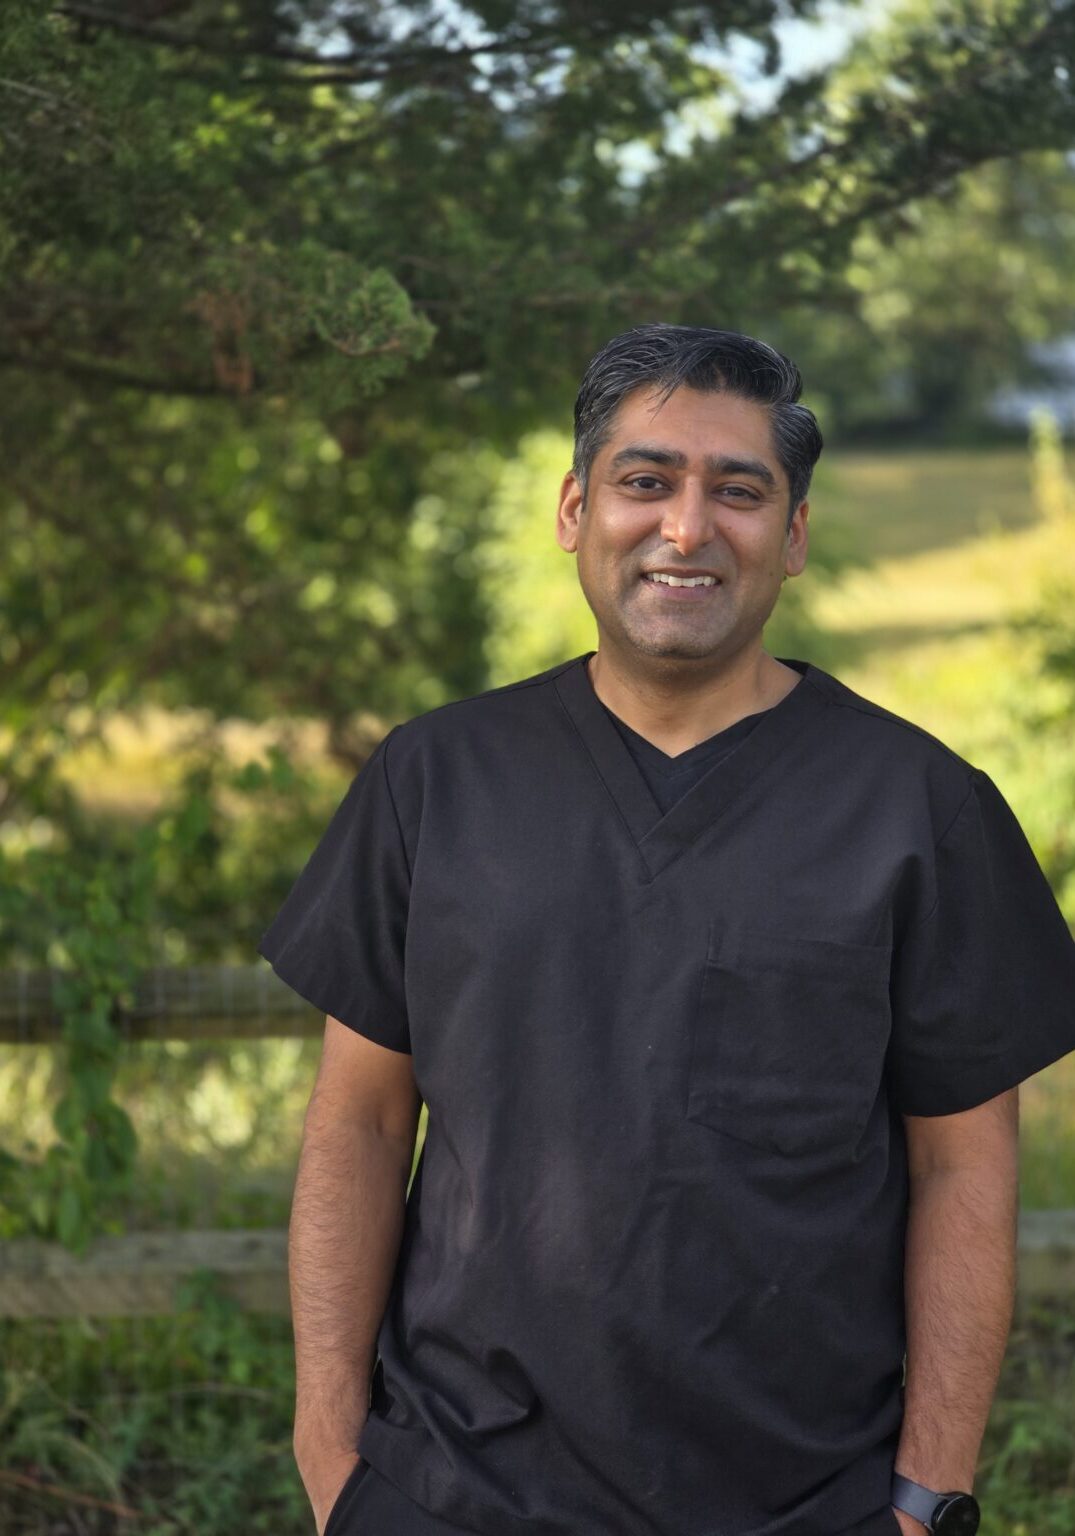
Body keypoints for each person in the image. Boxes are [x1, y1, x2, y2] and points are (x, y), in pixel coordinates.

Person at [257, 323, 1075, 1536]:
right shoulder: (434, 780)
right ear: (575, 511)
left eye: (736, 491)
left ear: (791, 537)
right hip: (447, 1491)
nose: (686, 528)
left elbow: (964, 1166)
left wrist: (924, 1495)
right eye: (646, 482)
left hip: (804, 1504)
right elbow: (361, 1123)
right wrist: (331, 1456)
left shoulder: (918, 809)